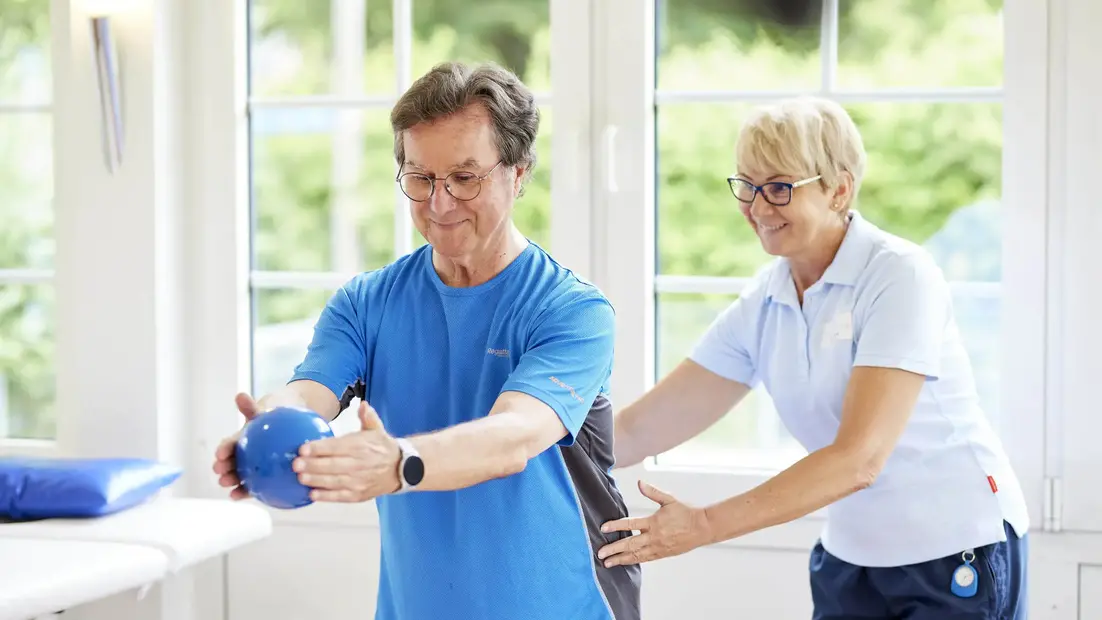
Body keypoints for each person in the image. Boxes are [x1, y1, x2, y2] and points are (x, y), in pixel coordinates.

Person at [211, 61, 640, 620]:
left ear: (518, 173)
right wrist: (268, 422)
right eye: (420, 178)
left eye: (465, 177)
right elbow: (308, 392)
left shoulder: (571, 311)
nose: (439, 204)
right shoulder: (367, 303)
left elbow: (513, 437)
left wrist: (399, 463)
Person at [598, 97, 1029, 619]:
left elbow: (859, 458)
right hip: (852, 556)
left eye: (779, 188)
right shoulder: (766, 301)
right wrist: (528, 449)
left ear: (839, 189)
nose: (757, 208)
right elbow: (643, 428)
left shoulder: (898, 277)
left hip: (953, 550)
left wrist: (704, 524)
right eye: (746, 186)